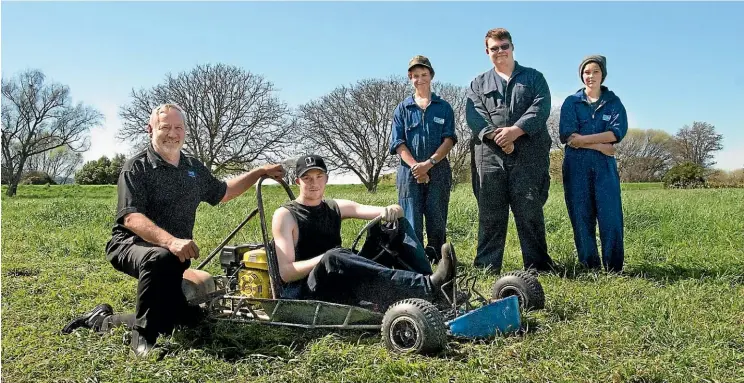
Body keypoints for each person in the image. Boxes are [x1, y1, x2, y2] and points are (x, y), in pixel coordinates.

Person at [61, 103, 285, 357]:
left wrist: (259, 172)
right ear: (150, 129)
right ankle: (143, 341)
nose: (172, 133)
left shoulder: (193, 168)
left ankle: (101, 320)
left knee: (181, 319)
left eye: (178, 127)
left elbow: (224, 192)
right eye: (165, 127)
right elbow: (131, 218)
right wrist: (171, 241)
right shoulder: (137, 167)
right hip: (130, 246)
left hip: (175, 256)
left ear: (185, 131)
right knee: (161, 257)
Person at [272, 154, 457, 310]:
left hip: (340, 276)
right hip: (308, 289)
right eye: (307, 178)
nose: (314, 183)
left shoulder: (335, 207)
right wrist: (323, 259)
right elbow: (286, 273)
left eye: (319, 176)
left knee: (392, 227)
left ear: (326, 179)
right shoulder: (286, 215)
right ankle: (428, 287)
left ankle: (437, 288)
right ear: (297, 181)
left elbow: (394, 211)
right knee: (333, 256)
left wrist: (392, 210)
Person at [465, 27, 555, 274]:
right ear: (487, 51)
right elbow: (474, 115)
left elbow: (541, 107)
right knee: (490, 213)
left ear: (512, 47)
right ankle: (486, 266)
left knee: (530, 211)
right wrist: (499, 137)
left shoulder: (534, 78)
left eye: (504, 46)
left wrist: (515, 131)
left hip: (528, 154)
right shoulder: (478, 83)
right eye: (494, 48)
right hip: (490, 156)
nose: (500, 51)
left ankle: (538, 266)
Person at [559, 55, 628, 273]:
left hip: (604, 169)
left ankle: (613, 267)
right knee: (581, 215)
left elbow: (616, 133)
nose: (591, 76)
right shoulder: (571, 102)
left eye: (595, 71)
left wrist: (585, 142)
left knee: (611, 216)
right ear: (582, 76)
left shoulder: (614, 103)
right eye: (586, 72)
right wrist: (602, 145)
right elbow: (569, 136)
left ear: (602, 75)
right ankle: (589, 265)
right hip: (576, 167)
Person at [389, 55, 457, 263]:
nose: (420, 79)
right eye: (415, 75)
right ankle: (415, 259)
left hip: (438, 169)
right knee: (411, 218)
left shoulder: (443, 107)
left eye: (424, 74)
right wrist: (416, 168)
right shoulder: (402, 109)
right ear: (410, 78)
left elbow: (449, 139)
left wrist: (429, 164)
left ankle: (438, 257)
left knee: (437, 217)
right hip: (408, 174)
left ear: (431, 76)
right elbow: (398, 143)